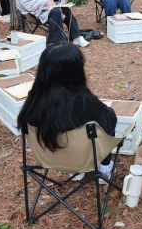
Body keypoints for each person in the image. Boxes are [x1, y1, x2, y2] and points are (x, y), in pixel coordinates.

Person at [17, 43, 117, 176]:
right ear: (76, 71)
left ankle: (76, 173)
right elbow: (109, 121)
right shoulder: (86, 103)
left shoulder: (33, 100)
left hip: (48, 159)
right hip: (81, 160)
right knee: (109, 116)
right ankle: (104, 166)